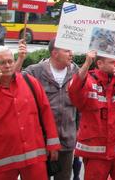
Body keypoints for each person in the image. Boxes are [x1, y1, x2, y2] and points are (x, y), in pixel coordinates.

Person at [0, 45, 60, 179]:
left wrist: (53, 143)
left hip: (33, 155)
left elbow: (46, 113)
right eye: (2, 63)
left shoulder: (29, 81)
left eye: (10, 61)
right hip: (1, 158)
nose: (8, 65)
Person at [68, 51, 115, 179]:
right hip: (96, 154)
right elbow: (74, 91)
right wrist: (86, 64)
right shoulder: (89, 81)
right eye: (112, 62)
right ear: (100, 64)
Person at [24, 39, 78, 180]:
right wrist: (20, 59)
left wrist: (78, 131)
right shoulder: (34, 71)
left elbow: (82, 106)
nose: (71, 54)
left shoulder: (77, 72)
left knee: (64, 177)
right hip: (40, 141)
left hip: (67, 140)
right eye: (67, 50)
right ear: (54, 53)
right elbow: (14, 83)